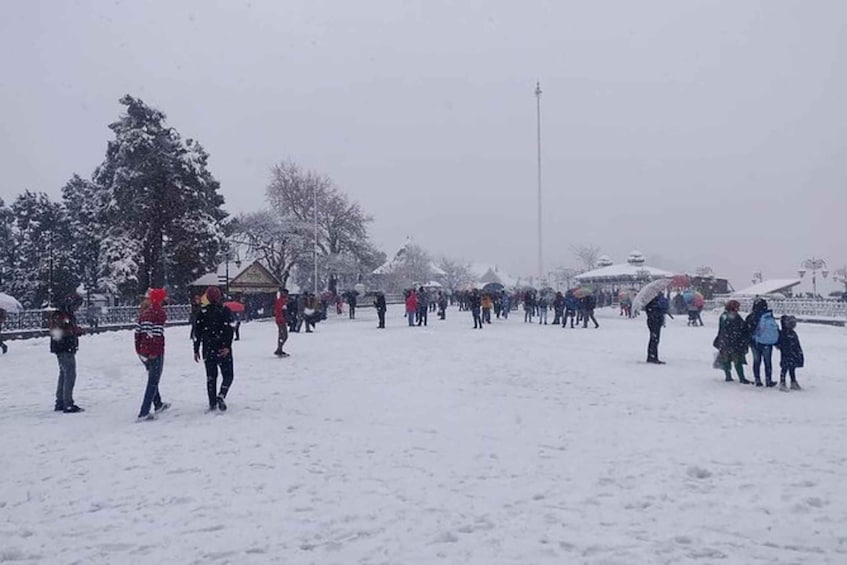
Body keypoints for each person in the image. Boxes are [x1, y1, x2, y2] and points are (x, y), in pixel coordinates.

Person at [193, 286, 235, 412]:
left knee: (211, 376)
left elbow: (197, 332)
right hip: (222, 347)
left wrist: (196, 349)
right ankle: (221, 394)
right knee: (228, 375)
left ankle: (212, 402)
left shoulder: (202, 312)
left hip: (208, 347)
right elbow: (229, 329)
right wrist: (227, 346)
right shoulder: (225, 311)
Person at [134, 288, 170, 420]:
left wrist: (139, 350)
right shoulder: (159, 313)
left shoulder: (144, 313)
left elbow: (138, 333)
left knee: (152, 377)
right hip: (154, 352)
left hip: (143, 350)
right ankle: (144, 412)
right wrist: (154, 352)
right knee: (153, 381)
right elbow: (156, 335)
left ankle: (158, 403)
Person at [50, 292, 85, 413]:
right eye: (76, 306)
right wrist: (74, 331)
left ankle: (60, 401)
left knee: (64, 374)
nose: (77, 308)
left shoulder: (65, 314)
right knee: (70, 374)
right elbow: (57, 331)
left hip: (64, 347)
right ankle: (67, 403)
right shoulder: (61, 315)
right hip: (64, 348)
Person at [713, 300, 750, 383]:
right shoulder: (735, 317)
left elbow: (722, 329)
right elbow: (740, 328)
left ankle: (728, 376)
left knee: (726, 360)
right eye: (737, 307)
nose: (738, 309)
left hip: (724, 342)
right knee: (737, 360)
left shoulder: (723, 316)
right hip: (733, 342)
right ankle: (741, 378)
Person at [746, 298, 779, 387]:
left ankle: (757, 379)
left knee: (757, 361)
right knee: (767, 362)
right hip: (767, 343)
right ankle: (768, 380)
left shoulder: (751, 317)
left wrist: (749, 340)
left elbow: (747, 330)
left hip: (755, 342)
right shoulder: (768, 315)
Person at [777, 315, 804, 391]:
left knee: (791, 367)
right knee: (785, 368)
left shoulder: (789, 333)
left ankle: (792, 381)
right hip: (787, 353)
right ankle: (783, 382)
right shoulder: (786, 333)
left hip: (789, 353)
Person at [644, 292, 671, 364]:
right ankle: (652, 357)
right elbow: (657, 311)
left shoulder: (650, 301)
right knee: (654, 339)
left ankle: (652, 356)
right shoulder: (654, 302)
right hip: (655, 321)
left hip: (653, 321)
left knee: (654, 339)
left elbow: (648, 311)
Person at [273, 288, 290, 357]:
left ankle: (279, 349)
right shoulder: (281, 301)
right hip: (281, 320)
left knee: (282, 335)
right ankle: (279, 349)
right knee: (284, 335)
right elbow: (281, 311)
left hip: (280, 320)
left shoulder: (281, 301)